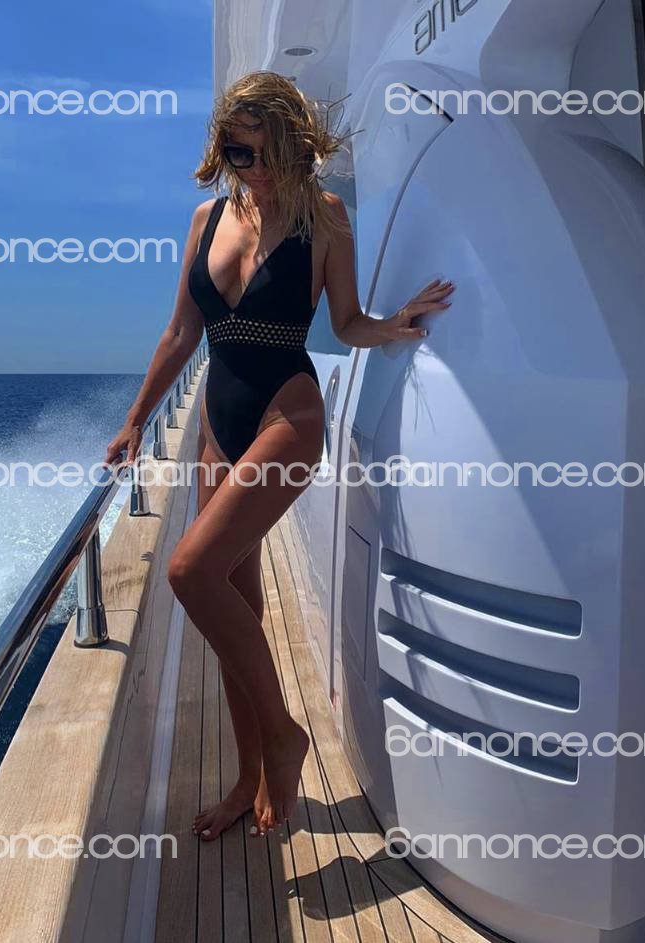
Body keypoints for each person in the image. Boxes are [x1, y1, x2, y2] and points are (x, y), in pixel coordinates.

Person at [104, 71, 455, 838]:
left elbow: (347, 321)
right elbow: (181, 333)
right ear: (222, 150)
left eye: (270, 152)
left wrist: (396, 322)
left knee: (190, 570)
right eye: (240, 152)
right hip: (218, 423)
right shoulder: (206, 220)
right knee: (238, 604)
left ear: (296, 147)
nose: (256, 168)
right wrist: (134, 420)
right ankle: (249, 779)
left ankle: (285, 737)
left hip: (287, 415)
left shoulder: (324, 217)